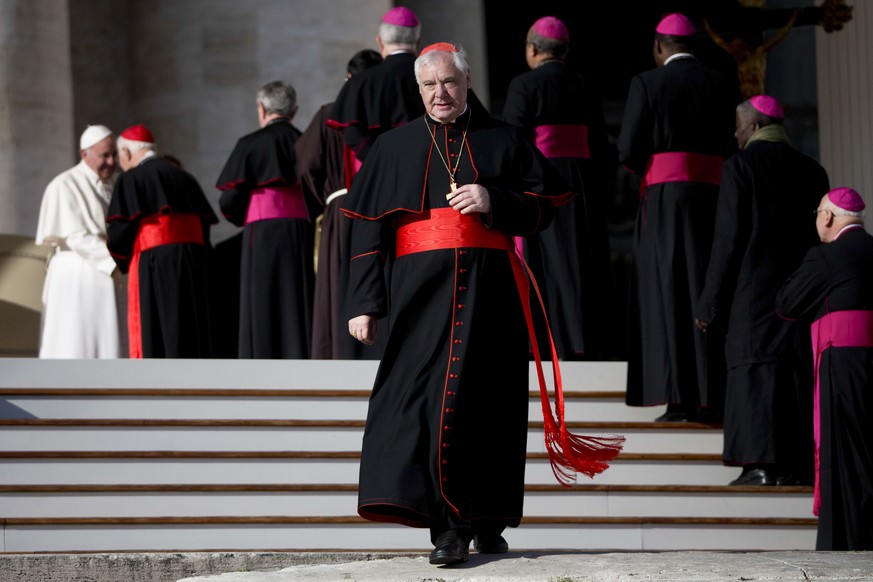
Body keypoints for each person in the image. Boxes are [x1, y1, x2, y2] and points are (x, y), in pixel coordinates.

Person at [342, 42, 623, 566]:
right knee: (422, 404)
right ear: (418, 88)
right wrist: (364, 303)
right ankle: (447, 527)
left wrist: (497, 200)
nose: (439, 93)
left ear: (467, 82)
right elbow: (367, 231)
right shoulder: (393, 146)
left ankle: (487, 518)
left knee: (490, 406)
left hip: (493, 294)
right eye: (429, 85)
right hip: (418, 297)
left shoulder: (504, 139)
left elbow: (544, 208)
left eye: (448, 82)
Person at [694, 95, 830, 486]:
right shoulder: (813, 171)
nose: (735, 134)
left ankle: (760, 464)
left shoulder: (740, 167)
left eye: (738, 126)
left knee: (755, 372)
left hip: (752, 294)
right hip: (802, 295)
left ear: (753, 127)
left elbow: (728, 241)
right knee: (793, 374)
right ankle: (795, 463)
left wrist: (709, 303)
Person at [618, 12, 740, 422]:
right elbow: (731, 143)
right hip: (712, 197)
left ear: (658, 46)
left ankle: (677, 397)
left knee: (666, 290)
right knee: (707, 285)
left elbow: (629, 150)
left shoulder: (647, 83)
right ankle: (712, 394)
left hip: (666, 200)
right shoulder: (722, 83)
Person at [502, 15, 615, 360]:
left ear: (533, 49)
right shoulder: (584, 84)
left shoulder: (524, 85)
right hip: (580, 185)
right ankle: (585, 343)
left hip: (540, 185)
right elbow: (600, 143)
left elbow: (512, 140)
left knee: (544, 264)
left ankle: (547, 343)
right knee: (581, 262)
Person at [776, 187, 873, 551]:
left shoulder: (826, 257)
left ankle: (846, 547)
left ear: (828, 217)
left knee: (843, 459)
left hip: (843, 366)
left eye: (818, 212)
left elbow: (786, 304)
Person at [216, 80, 319, 359]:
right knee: (296, 298)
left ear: (261, 109)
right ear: (294, 110)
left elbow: (229, 201)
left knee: (261, 301)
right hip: (301, 232)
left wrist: (241, 215)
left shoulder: (249, 144)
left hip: (261, 232)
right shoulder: (307, 142)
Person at [296, 48, 383, 359]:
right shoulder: (386, 112)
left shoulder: (328, 113)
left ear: (348, 77)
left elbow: (306, 165)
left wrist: (325, 201)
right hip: (382, 208)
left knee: (340, 284)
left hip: (342, 207)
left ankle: (342, 354)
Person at [106, 124, 218, 358]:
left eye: (120, 157)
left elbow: (120, 232)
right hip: (192, 261)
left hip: (156, 262)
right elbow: (202, 226)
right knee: (189, 326)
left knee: (161, 330)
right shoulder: (185, 177)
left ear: (126, 153)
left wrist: (120, 255)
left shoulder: (132, 178)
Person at [35, 125, 125, 358]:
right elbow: (76, 237)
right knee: (74, 343)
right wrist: (118, 258)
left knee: (109, 344)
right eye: (104, 155)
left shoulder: (114, 184)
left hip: (107, 272)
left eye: (114, 154)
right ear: (84, 154)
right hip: (76, 274)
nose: (111, 161)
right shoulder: (65, 184)